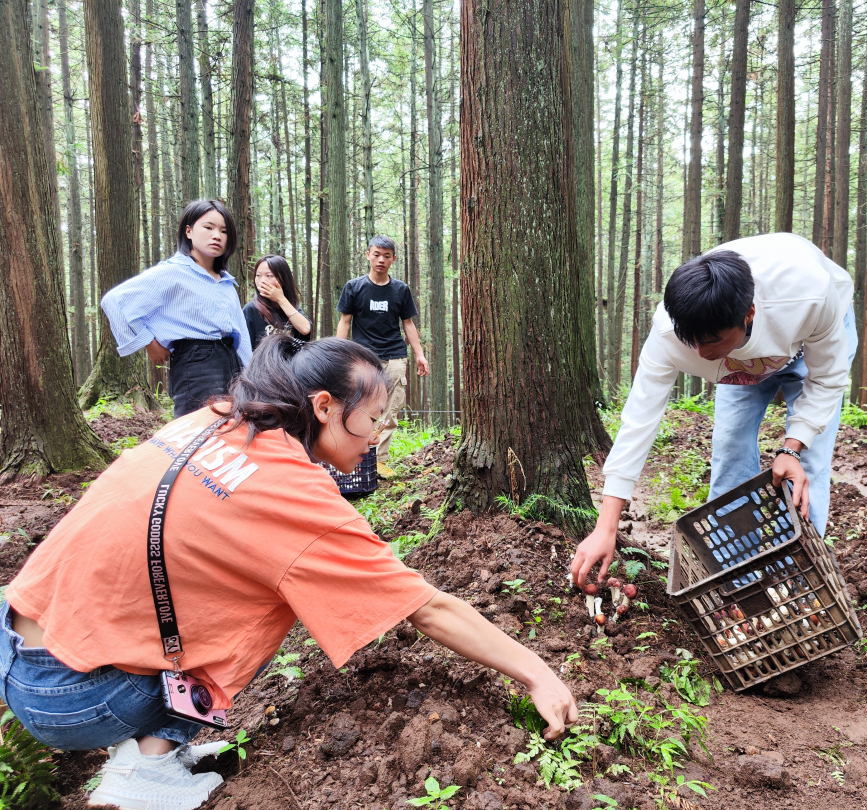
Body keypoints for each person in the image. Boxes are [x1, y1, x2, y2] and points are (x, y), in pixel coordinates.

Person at [0, 335, 576, 810]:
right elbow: (424, 606)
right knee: (281, 587)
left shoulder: (219, 417)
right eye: (373, 420)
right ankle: (143, 777)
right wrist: (536, 674)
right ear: (324, 406)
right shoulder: (294, 493)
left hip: (22, 644)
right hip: (73, 697)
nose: (378, 438)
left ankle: (155, 748)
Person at [571, 232, 857, 588]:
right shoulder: (670, 333)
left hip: (808, 344)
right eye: (692, 342)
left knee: (806, 467)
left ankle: (799, 580)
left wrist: (791, 447)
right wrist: (606, 526)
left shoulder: (809, 295)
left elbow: (828, 378)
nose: (702, 354)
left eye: (712, 342)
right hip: (741, 368)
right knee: (730, 449)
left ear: (749, 313)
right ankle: (736, 577)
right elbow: (639, 419)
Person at [101, 199, 252, 418]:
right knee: (197, 434)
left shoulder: (225, 282)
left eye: (224, 231)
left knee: (229, 434)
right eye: (208, 227)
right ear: (189, 231)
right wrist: (148, 342)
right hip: (196, 364)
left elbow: (242, 336)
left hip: (231, 364)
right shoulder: (173, 272)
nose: (217, 235)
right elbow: (114, 301)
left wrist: (252, 376)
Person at [336, 236, 430, 479]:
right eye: (377, 254)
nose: (381, 260)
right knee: (359, 409)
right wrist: (339, 352)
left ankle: (380, 461)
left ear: (393, 259)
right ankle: (355, 458)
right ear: (368, 255)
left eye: (386, 256)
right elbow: (345, 322)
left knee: (389, 412)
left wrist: (419, 355)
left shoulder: (400, 290)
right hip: (363, 359)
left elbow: (408, 324)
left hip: (395, 356)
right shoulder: (354, 287)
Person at [243, 254, 312, 350]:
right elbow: (245, 349)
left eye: (269, 275)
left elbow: (305, 329)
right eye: (258, 275)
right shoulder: (251, 309)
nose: (262, 281)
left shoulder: (290, 308)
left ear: (283, 279)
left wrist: (281, 299)